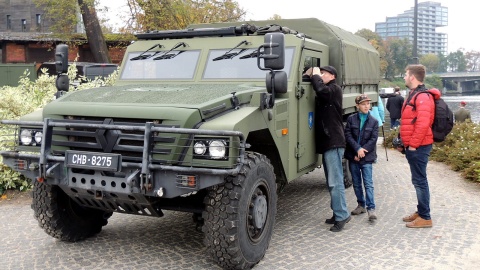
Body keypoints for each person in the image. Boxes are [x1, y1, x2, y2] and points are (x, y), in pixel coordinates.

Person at [304, 65, 350, 232]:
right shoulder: (330, 89)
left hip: (334, 141)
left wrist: (315, 75)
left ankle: (342, 215)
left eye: (323, 73)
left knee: (335, 181)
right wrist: (309, 74)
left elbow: (320, 90)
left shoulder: (334, 89)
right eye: (320, 73)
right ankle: (338, 212)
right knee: (332, 181)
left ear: (332, 76)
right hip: (329, 141)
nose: (320, 75)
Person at [399, 64, 441, 228]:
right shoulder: (414, 94)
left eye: (405, 74)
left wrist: (413, 146)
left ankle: (425, 217)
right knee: (418, 180)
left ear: (412, 77)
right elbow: (409, 121)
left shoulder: (422, 97)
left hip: (419, 146)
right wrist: (403, 143)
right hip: (414, 146)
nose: (404, 77)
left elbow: (423, 124)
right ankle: (421, 210)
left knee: (420, 181)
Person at [344, 94, 379, 221]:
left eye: (368, 104)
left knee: (368, 183)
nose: (366, 106)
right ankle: (361, 205)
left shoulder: (374, 121)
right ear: (357, 106)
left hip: (367, 156)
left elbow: (373, 139)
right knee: (357, 183)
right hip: (354, 155)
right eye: (363, 104)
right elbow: (348, 136)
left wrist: (362, 151)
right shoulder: (351, 119)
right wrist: (357, 149)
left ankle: (371, 208)